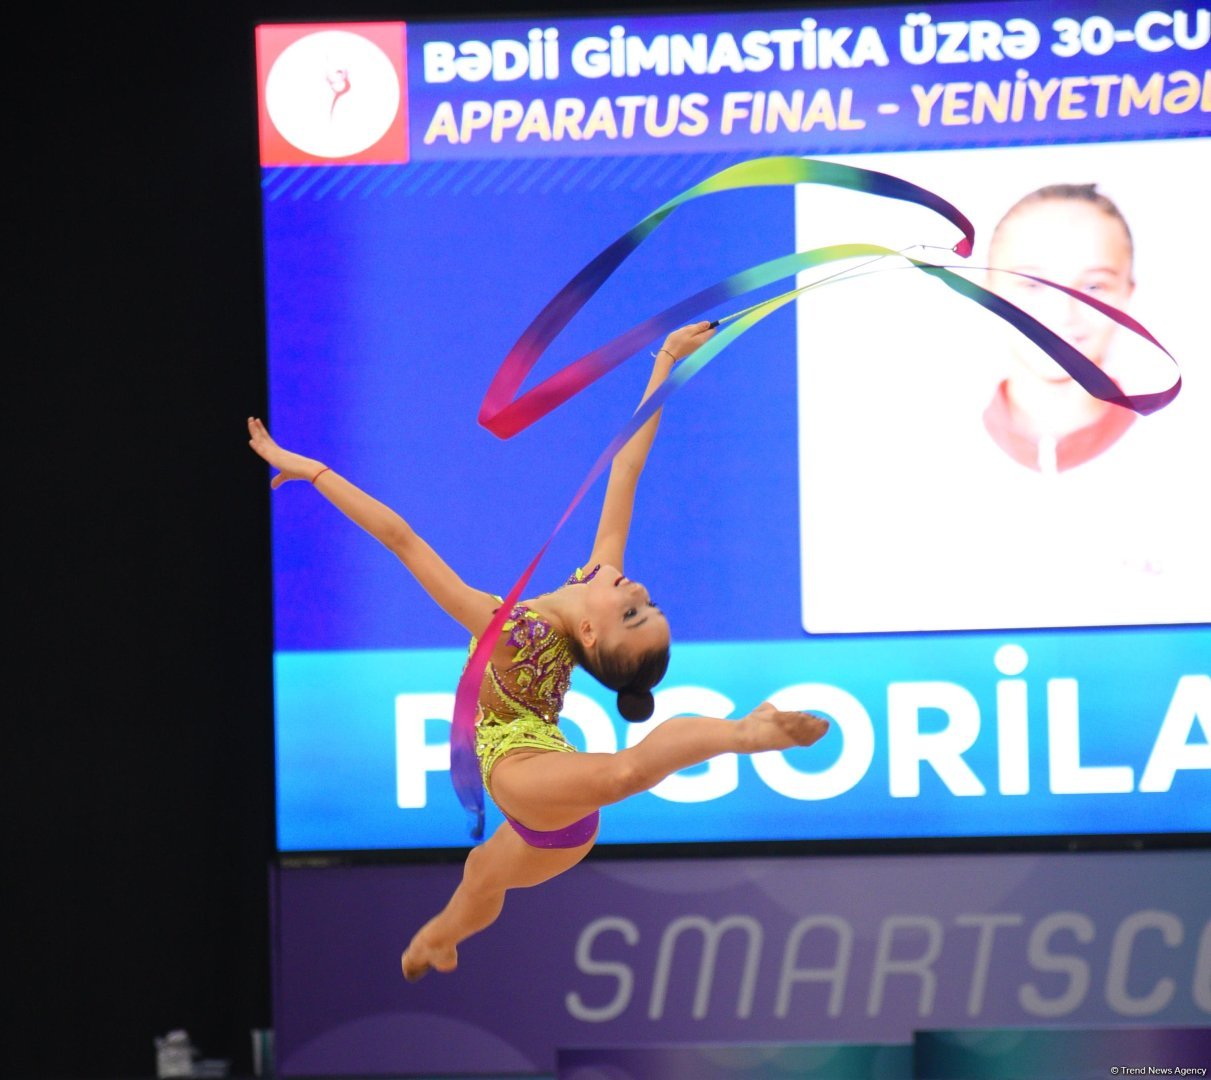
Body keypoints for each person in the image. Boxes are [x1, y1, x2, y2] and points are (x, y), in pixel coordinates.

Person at [247, 319, 830, 981]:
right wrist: (664, 357)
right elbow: (627, 468)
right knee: (477, 884)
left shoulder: (509, 630)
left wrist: (312, 471)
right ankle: (439, 936)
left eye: (632, 613)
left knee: (619, 775)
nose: (636, 588)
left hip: (523, 770)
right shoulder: (594, 581)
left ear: (590, 637)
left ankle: (741, 732)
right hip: (554, 822)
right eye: (649, 605)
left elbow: (402, 540)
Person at [981, 182, 1138, 474]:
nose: (1063, 314)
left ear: (1127, 293)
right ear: (989, 292)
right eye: (1032, 284)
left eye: (1093, 286)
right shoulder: (929, 453)